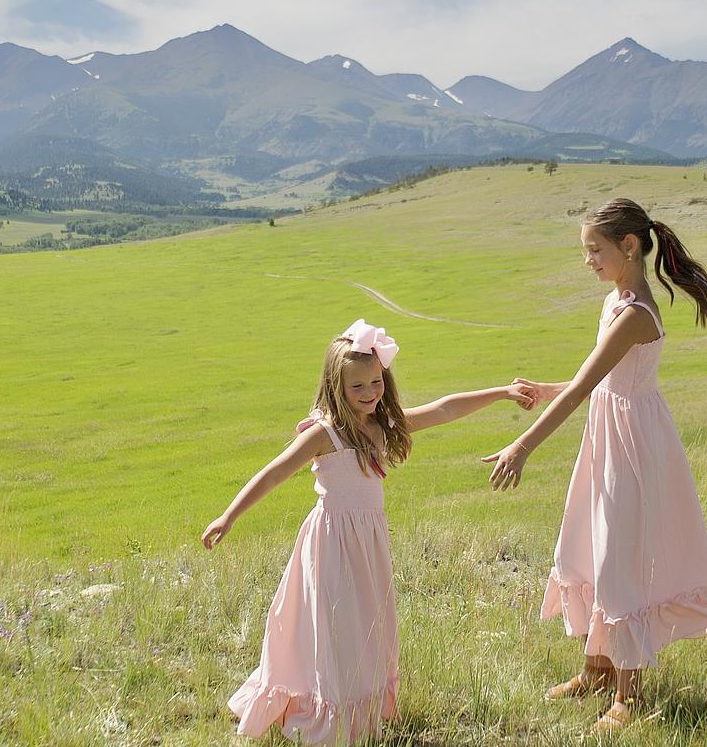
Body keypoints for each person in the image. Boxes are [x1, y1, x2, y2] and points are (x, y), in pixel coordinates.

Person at [203, 318, 536, 746]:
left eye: (376, 382)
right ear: (335, 387)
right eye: (357, 386)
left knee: (367, 628)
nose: (369, 393)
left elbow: (444, 409)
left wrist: (503, 392)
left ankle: (361, 710)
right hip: (332, 546)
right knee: (336, 629)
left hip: (369, 547)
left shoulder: (382, 426)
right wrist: (228, 516)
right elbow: (274, 473)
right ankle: (328, 716)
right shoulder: (324, 434)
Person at [483, 198, 707, 734]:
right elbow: (594, 381)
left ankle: (629, 695)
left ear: (629, 246)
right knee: (592, 548)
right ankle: (596, 671)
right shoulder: (616, 300)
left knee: (621, 560)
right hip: (608, 436)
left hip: (632, 448)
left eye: (595, 250)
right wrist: (545, 389)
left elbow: (583, 388)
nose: (588, 260)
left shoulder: (635, 315)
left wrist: (522, 447)